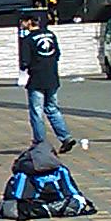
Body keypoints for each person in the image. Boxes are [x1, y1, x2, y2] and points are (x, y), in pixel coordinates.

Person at [17, 12, 79, 154]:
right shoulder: (51, 35)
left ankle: (40, 142)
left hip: (37, 79)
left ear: (29, 22)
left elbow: (25, 62)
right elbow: (57, 55)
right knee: (52, 108)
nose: (21, 24)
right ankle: (65, 137)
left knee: (37, 111)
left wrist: (27, 67)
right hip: (52, 77)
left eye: (23, 21)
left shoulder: (27, 39)